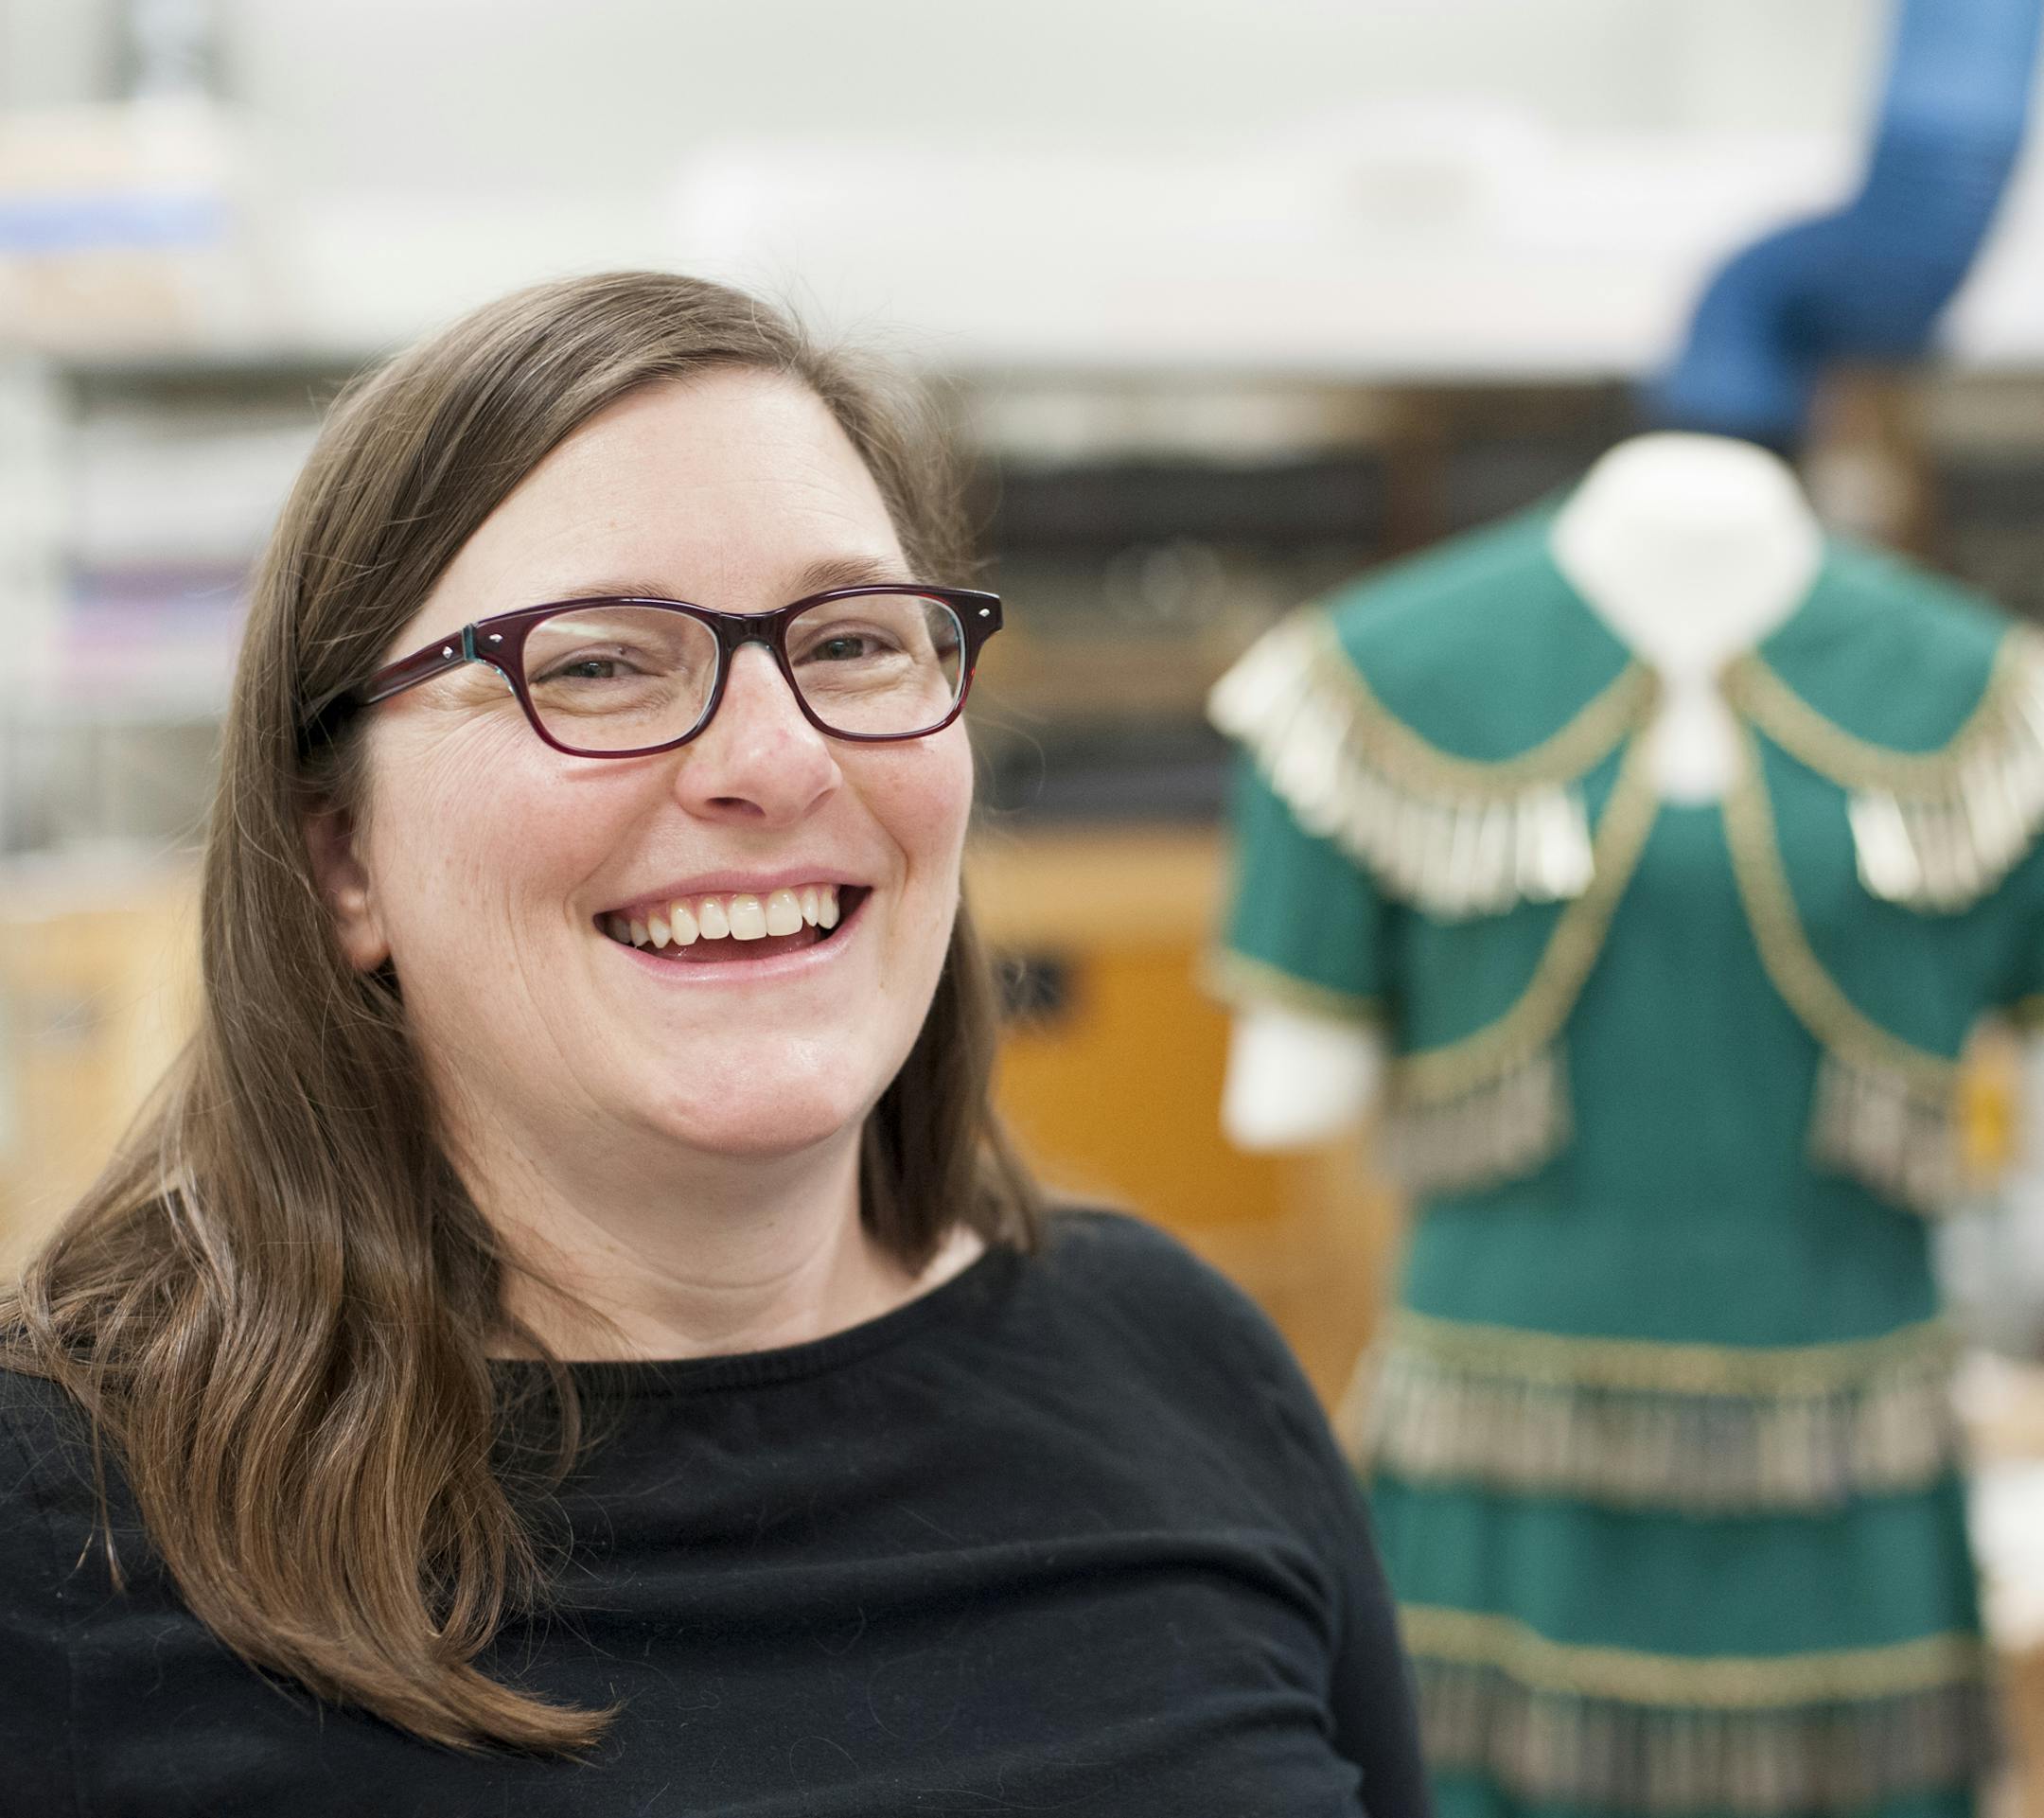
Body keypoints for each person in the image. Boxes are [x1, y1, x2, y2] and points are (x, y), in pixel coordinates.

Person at [0, 272, 1427, 1817]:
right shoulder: (51, 1528)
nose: (776, 758)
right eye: (598, 662)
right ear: (342, 857)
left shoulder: (1188, 1370)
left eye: (855, 643)